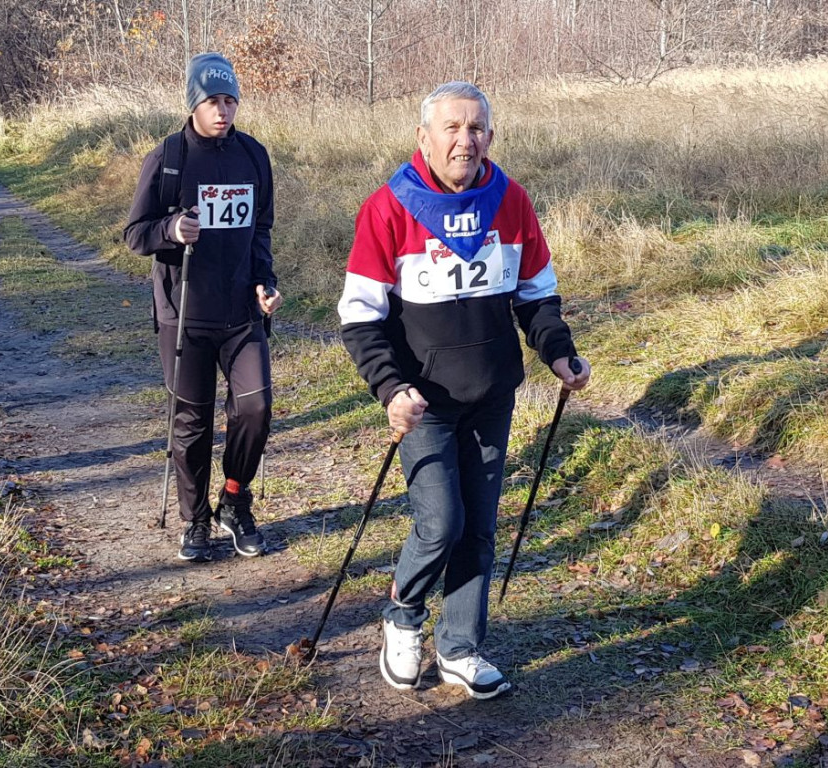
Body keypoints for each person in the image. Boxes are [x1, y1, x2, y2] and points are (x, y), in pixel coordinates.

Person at [338, 81, 591, 700]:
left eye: (475, 128)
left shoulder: (512, 202)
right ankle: (403, 614)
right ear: (424, 137)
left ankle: (460, 646)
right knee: (440, 524)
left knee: (479, 525)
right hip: (421, 400)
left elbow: (535, 294)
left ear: (490, 138)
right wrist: (390, 387)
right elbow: (359, 314)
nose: (464, 140)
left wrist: (559, 353)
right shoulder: (388, 208)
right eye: (451, 128)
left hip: (491, 392)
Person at [124, 53, 282, 563]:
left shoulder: (254, 156)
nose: (223, 110)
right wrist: (169, 230)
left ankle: (234, 501)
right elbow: (134, 234)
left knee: (255, 408)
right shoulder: (168, 157)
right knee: (191, 423)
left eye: (230, 100)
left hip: (241, 312)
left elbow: (260, 230)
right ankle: (195, 521)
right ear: (194, 102)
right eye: (213, 100)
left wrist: (265, 282)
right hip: (184, 312)